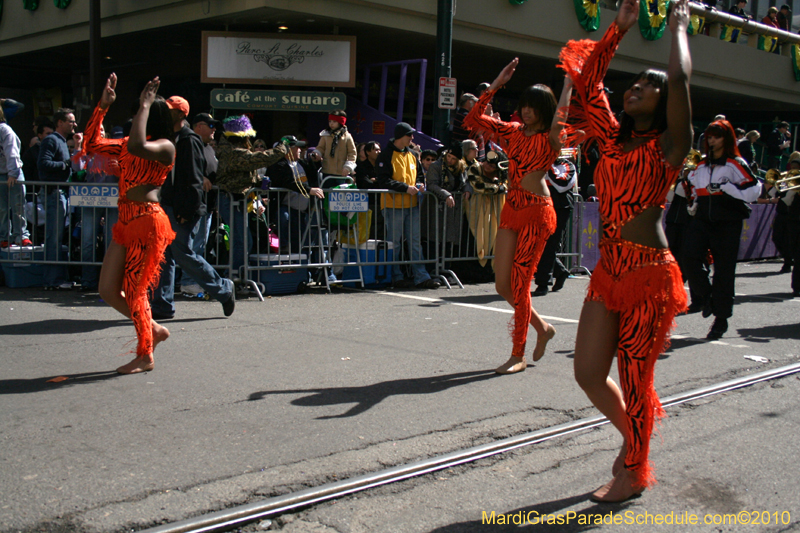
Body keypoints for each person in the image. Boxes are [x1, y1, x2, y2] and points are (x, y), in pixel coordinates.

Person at [559, 0, 694, 501]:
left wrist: (678, 29)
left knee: (637, 379)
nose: (635, 87)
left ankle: (635, 470)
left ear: (663, 101)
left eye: (647, 85)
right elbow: (589, 79)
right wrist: (617, 29)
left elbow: (680, 82)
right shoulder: (611, 140)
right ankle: (634, 440)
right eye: (634, 82)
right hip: (608, 270)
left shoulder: (670, 147)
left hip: (648, 274)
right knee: (589, 372)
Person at [464, 57, 572, 375]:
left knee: (520, 285)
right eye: (524, 104)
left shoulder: (552, 138)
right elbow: (473, 117)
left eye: (533, 106)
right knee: (503, 286)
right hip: (511, 209)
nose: (526, 110)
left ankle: (518, 354)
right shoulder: (511, 132)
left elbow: (562, 116)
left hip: (537, 212)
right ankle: (544, 328)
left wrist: (567, 86)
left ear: (544, 109)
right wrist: (497, 84)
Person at [82, 73, 176, 374]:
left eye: (140, 112)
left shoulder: (165, 147)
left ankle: (146, 354)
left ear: (151, 116)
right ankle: (154, 330)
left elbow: (137, 146)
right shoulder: (126, 142)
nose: (136, 115)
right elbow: (92, 143)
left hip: (147, 222)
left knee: (135, 291)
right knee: (108, 289)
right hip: (125, 222)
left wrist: (146, 104)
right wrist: (103, 107)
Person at [150, 97, 235, 320]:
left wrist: (186, 211)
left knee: (182, 253)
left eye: (169, 110)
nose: (164, 113)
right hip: (167, 205)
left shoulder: (189, 140)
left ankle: (223, 288)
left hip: (182, 208)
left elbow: (194, 179)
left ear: (180, 114)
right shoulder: (170, 137)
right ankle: (162, 305)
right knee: (164, 255)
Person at [684, 120, 761, 340]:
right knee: (688, 256)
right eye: (709, 136)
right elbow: (694, 189)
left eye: (716, 136)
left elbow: (754, 190)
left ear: (725, 139)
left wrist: (727, 188)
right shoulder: (700, 165)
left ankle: (721, 319)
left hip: (727, 222)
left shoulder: (735, 163)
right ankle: (708, 296)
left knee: (724, 272)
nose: (712, 140)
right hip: (702, 219)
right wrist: (694, 201)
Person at [214, 115, 286, 279]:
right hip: (230, 200)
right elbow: (261, 159)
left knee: (243, 241)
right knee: (242, 241)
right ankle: (232, 277)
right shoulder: (233, 152)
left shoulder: (233, 152)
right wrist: (283, 146)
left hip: (239, 200)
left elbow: (240, 174)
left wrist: (258, 181)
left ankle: (235, 275)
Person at [375, 122, 440, 289]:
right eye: (409, 135)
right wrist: (405, 188)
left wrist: (420, 185)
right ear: (400, 136)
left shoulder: (412, 154)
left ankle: (421, 276)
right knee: (394, 243)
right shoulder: (385, 155)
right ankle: (395, 276)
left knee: (415, 242)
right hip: (392, 205)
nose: (412, 138)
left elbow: (419, 175)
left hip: (412, 204)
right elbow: (383, 180)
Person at [74, 122, 119, 291]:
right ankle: (88, 281)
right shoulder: (86, 151)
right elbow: (77, 168)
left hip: (113, 201)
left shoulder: (113, 148)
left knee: (110, 241)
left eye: (101, 129)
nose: (98, 132)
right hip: (89, 200)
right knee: (87, 241)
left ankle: (109, 281)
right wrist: (78, 147)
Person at [179, 112, 219, 293]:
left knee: (200, 245)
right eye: (210, 125)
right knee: (191, 246)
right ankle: (188, 282)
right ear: (198, 126)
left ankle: (192, 281)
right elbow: (184, 168)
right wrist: (200, 177)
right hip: (194, 205)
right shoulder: (190, 144)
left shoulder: (209, 147)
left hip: (207, 205)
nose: (214, 129)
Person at [38, 107, 77, 289]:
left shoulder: (61, 141)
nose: (74, 124)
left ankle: (56, 279)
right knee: (53, 237)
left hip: (59, 193)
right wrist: (65, 165)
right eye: (70, 121)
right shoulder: (51, 140)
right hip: (53, 193)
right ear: (60, 123)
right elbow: (43, 163)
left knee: (57, 237)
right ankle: (53, 280)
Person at [267, 135, 323, 254]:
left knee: (300, 241)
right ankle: (283, 249)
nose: (300, 150)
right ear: (288, 149)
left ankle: (300, 267)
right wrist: (308, 190)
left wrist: (314, 162)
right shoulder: (278, 164)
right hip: (285, 207)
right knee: (284, 218)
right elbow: (288, 182)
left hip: (301, 211)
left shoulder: (301, 163)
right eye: (297, 147)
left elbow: (314, 176)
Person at [532, 155, 577, 296]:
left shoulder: (567, 165)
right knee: (538, 243)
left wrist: (546, 166)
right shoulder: (538, 162)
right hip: (540, 205)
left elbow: (562, 185)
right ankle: (560, 271)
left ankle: (543, 283)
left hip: (560, 207)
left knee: (549, 243)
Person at [464, 150, 508, 268]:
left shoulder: (502, 174)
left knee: (495, 235)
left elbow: (506, 185)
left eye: (493, 166)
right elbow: (478, 186)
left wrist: (498, 187)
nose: (488, 167)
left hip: (497, 206)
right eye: (488, 163)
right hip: (477, 206)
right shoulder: (475, 168)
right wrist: (497, 188)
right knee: (478, 234)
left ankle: (493, 267)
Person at [0, 103, 30, 248]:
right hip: (1, 173)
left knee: (18, 207)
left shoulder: (5, 130)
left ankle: (21, 235)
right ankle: (4, 236)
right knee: (2, 209)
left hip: (13, 172)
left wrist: (12, 173)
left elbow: (12, 152)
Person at [316, 109, 356, 179]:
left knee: (340, 189)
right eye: (330, 121)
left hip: (342, 172)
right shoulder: (325, 135)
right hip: (327, 170)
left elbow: (352, 153)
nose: (331, 124)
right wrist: (317, 154)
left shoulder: (347, 136)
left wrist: (348, 167)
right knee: (327, 189)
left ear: (340, 122)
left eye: (334, 121)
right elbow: (320, 148)